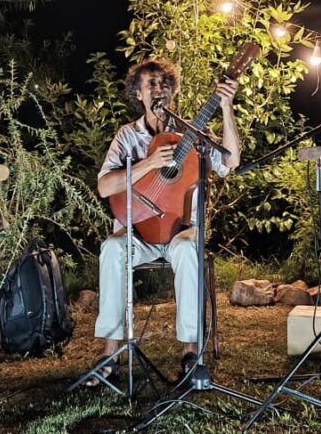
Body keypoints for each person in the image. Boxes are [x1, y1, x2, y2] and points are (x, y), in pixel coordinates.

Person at [87, 58, 240, 387]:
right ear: (138, 94)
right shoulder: (127, 136)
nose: (158, 89)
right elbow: (104, 186)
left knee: (187, 252)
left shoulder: (193, 133)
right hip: (138, 230)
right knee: (112, 250)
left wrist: (226, 108)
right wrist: (149, 163)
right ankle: (110, 356)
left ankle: (190, 354)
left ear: (172, 91)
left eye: (163, 83)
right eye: (150, 84)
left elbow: (230, 162)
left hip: (180, 230)